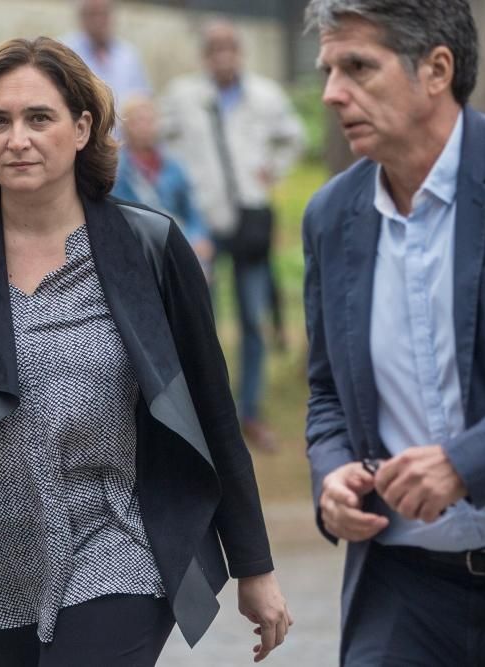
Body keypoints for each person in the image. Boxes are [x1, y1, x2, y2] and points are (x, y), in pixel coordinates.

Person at [0, 36, 291, 666]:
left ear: (82, 126)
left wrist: (254, 564)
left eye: (39, 117)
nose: (18, 139)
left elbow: (209, 404)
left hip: (118, 541)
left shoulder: (148, 247)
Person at [302, 1, 485, 664]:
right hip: (401, 598)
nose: (333, 92)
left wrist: (468, 461)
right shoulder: (330, 215)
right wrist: (331, 474)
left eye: (358, 67)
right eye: (329, 69)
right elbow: (326, 395)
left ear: (436, 70)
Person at [162, 20, 305, 453]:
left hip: (250, 218)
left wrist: (271, 171)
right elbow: (158, 140)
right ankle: (207, 410)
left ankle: (251, 410)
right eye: (214, 47)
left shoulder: (265, 96)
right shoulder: (184, 96)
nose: (223, 54)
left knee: (252, 317)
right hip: (202, 222)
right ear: (204, 54)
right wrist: (186, 181)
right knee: (200, 316)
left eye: (229, 46)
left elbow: (294, 138)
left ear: (239, 51)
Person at [111, 94, 212, 271]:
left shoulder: (174, 165)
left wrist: (199, 237)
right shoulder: (117, 170)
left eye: (149, 120)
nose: (144, 127)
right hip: (138, 251)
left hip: (176, 243)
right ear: (126, 127)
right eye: (137, 121)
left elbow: (191, 209)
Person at [60, 0, 150, 111]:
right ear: (81, 16)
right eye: (93, 14)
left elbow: (143, 99)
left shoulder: (129, 55)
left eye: (104, 13)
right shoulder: (65, 52)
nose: (99, 20)